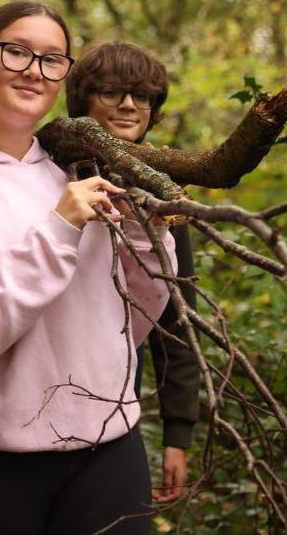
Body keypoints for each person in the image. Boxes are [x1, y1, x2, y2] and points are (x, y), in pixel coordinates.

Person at [0, 0, 177, 534]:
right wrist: (60, 228)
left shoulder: (67, 174)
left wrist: (146, 232)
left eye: (52, 59)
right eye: (17, 52)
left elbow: (129, 323)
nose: (34, 70)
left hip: (108, 447)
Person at [66, 41, 200, 503]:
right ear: (82, 97)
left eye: (141, 96)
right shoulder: (45, 167)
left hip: (114, 405)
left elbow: (176, 318)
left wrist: (176, 435)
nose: (128, 105)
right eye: (111, 92)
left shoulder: (160, 192)